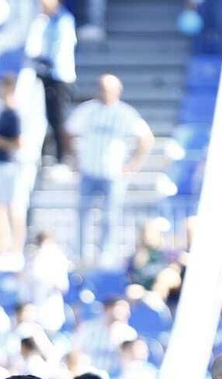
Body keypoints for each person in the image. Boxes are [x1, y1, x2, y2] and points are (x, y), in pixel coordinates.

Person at [67, 73, 152, 265]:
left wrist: (133, 165)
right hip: (88, 171)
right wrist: (73, 158)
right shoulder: (87, 110)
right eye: (102, 89)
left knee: (110, 215)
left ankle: (106, 254)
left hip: (113, 174)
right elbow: (69, 131)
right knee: (83, 214)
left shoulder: (126, 113)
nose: (104, 93)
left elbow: (146, 138)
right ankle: (79, 253)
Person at [23, 0, 76, 166]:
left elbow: (58, 48)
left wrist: (43, 60)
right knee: (43, 117)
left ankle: (62, 157)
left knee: (57, 118)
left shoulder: (64, 20)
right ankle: (46, 154)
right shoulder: (44, 20)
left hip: (59, 77)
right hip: (45, 75)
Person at [0, 75, 30, 258]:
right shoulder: (3, 112)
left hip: (10, 166)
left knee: (12, 207)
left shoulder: (14, 114)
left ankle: (16, 249)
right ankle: (1, 248)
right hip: (0, 164)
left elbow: (18, 144)